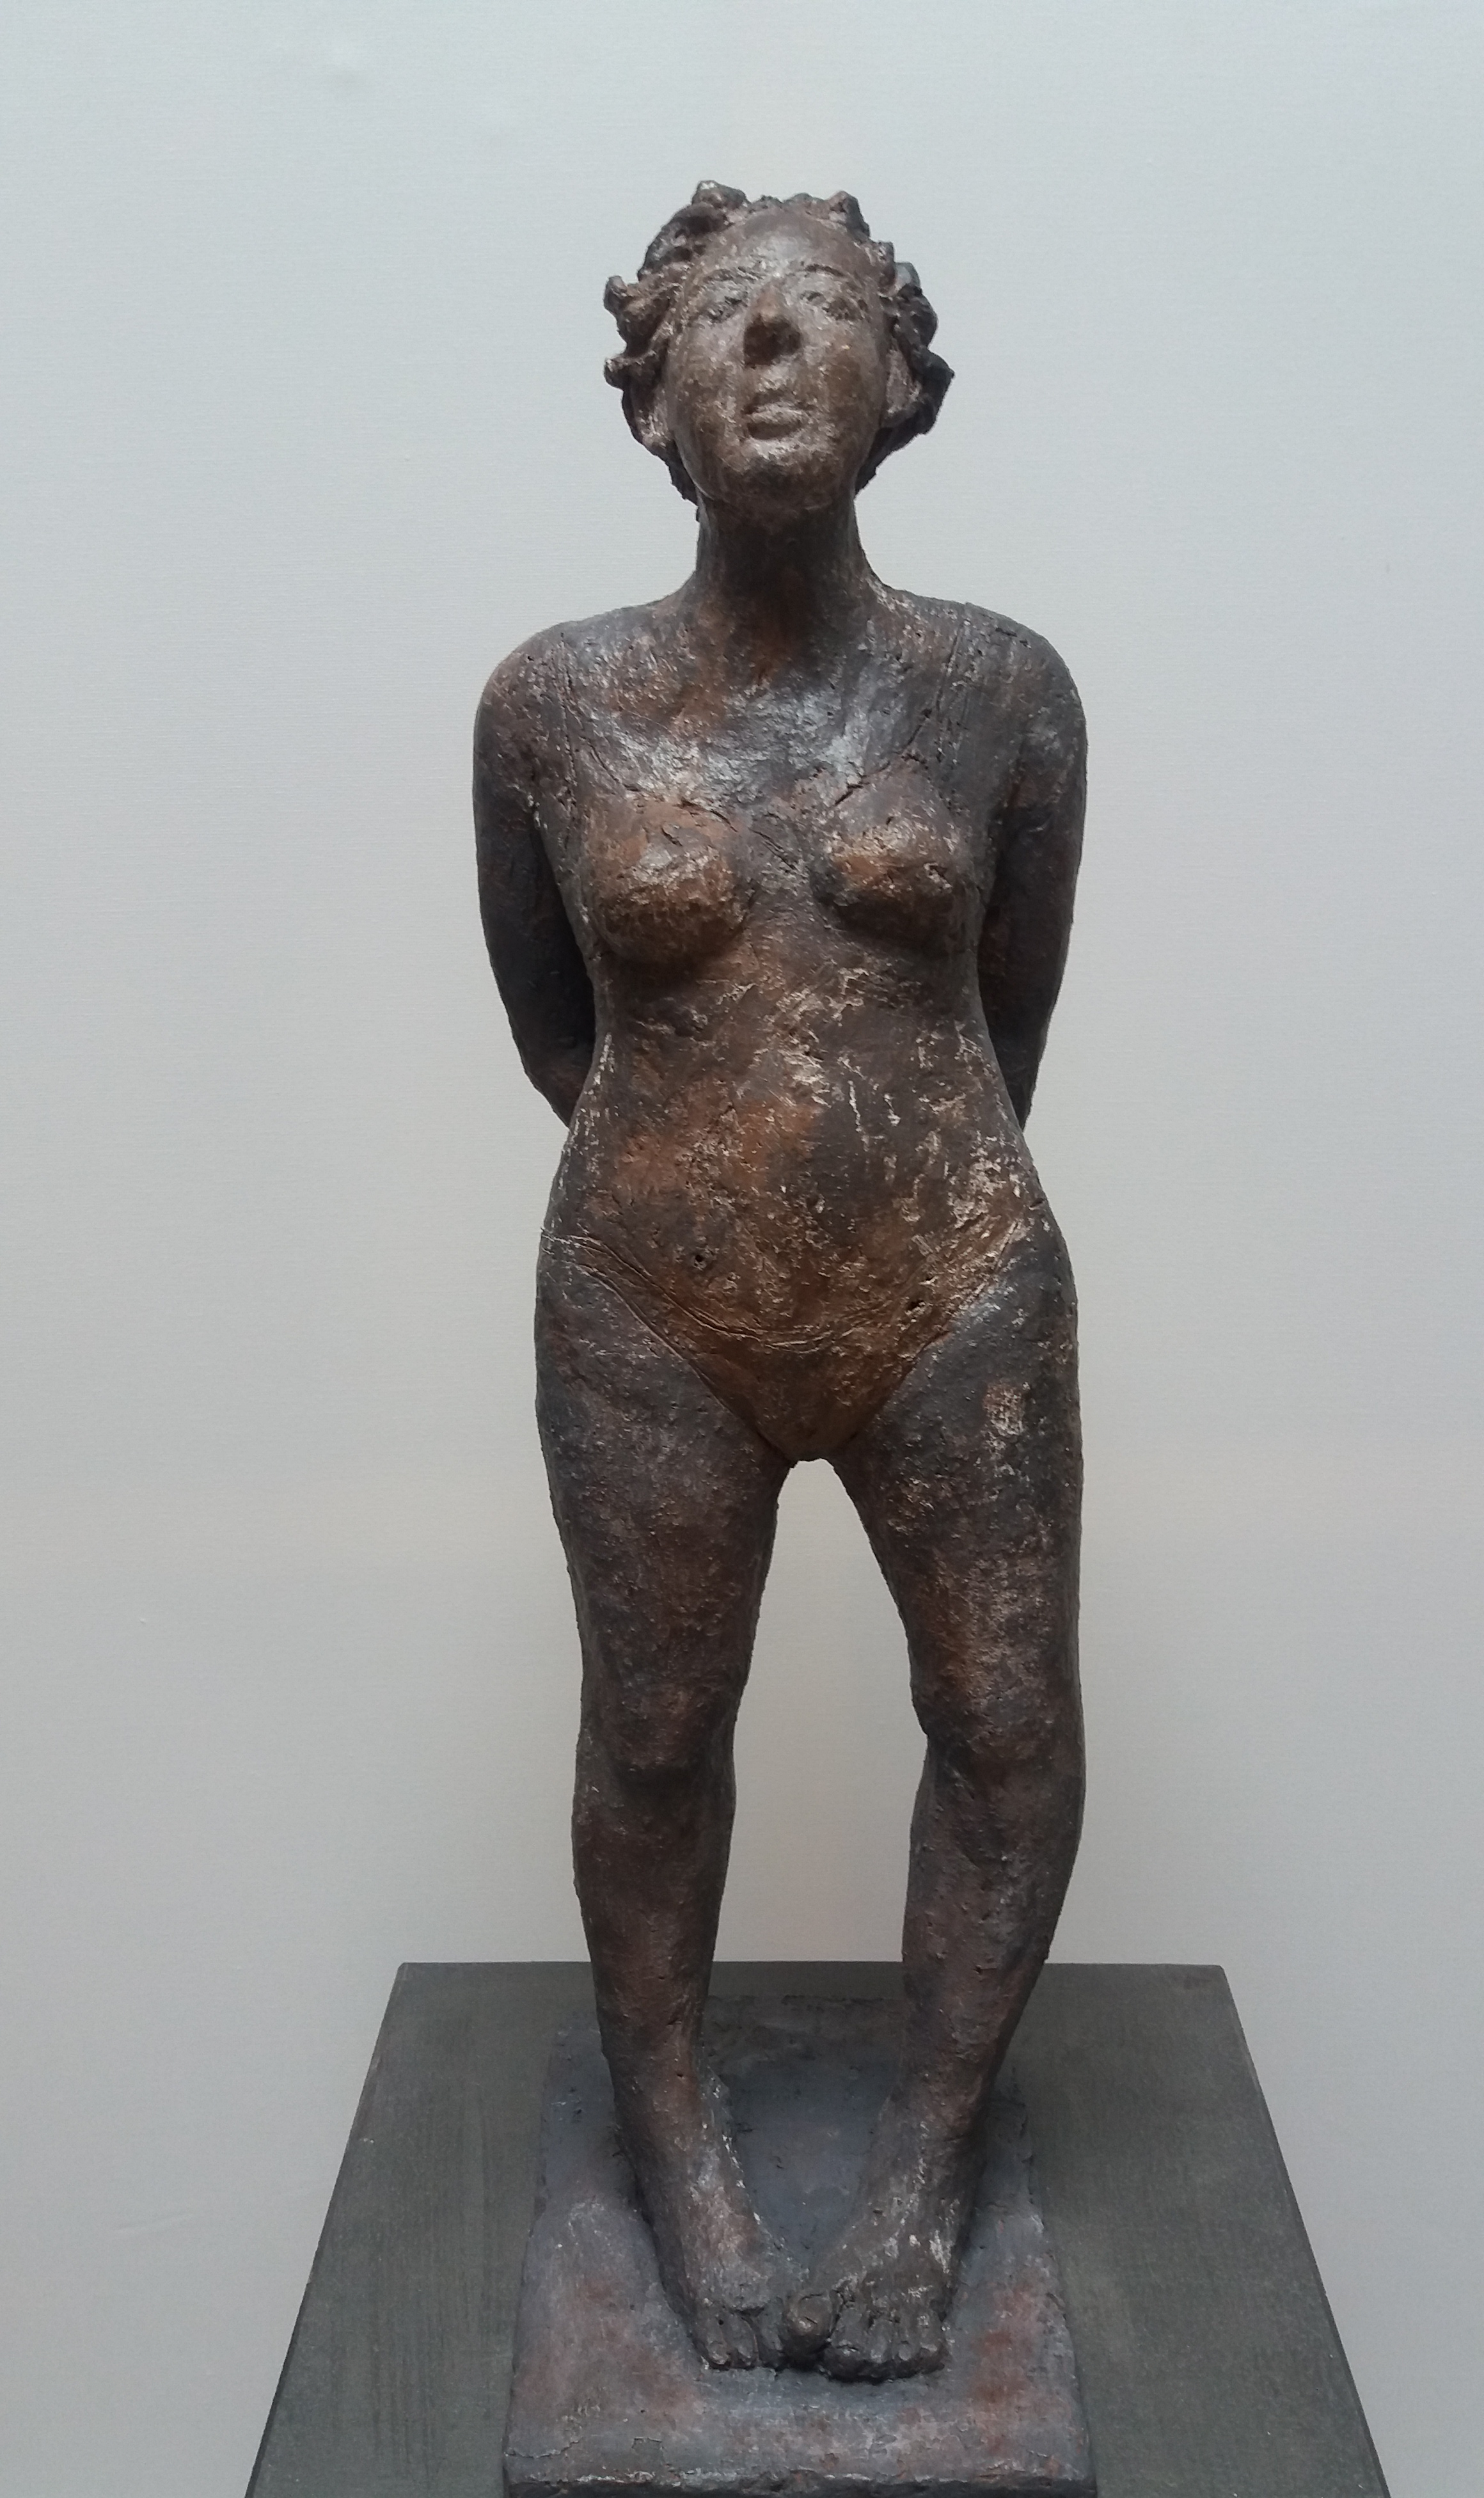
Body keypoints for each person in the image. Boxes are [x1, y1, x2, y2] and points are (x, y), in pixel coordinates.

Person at [475, 182, 1086, 2384]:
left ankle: (925, 2173)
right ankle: (679, 2150)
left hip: (951, 1279)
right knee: (652, 1730)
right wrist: (704, 1187)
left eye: (820, 310)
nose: (767, 346)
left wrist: (881, 1197)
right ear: (649, 398)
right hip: (655, 1297)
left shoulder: (1000, 690)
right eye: (721, 317)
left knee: (1006, 1721)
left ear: (901, 383)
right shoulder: (555, 705)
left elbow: (1008, 1020)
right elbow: (557, 1030)